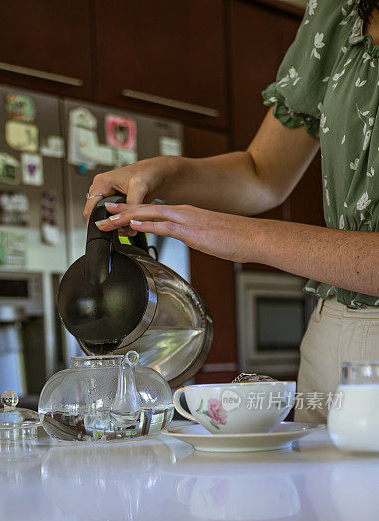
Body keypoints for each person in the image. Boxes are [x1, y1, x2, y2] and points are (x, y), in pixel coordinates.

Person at [83, 0, 379, 422]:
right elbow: (263, 174)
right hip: (329, 338)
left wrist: (249, 237)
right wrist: (167, 173)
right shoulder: (337, 13)